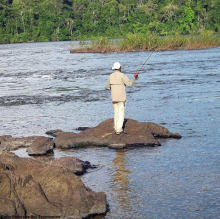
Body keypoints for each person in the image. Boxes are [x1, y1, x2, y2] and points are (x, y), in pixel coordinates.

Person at [105, 62, 139, 135]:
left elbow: (106, 87)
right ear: (120, 68)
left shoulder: (111, 76)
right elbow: (129, 84)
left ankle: (116, 127)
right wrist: (134, 78)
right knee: (121, 113)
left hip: (114, 98)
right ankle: (119, 130)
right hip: (121, 98)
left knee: (116, 113)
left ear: (114, 68)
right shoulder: (122, 75)